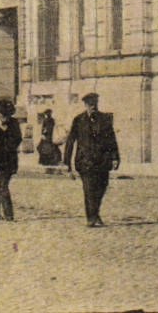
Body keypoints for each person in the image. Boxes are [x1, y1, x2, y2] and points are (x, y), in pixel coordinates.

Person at [62, 93, 119, 227]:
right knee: (89, 190)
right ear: (86, 105)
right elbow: (70, 141)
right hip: (85, 161)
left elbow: (112, 140)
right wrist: (67, 163)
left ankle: (95, 213)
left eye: (95, 103)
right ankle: (91, 218)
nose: (93, 106)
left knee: (101, 188)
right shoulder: (78, 120)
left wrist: (115, 157)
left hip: (102, 161)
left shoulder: (105, 119)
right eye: (90, 104)